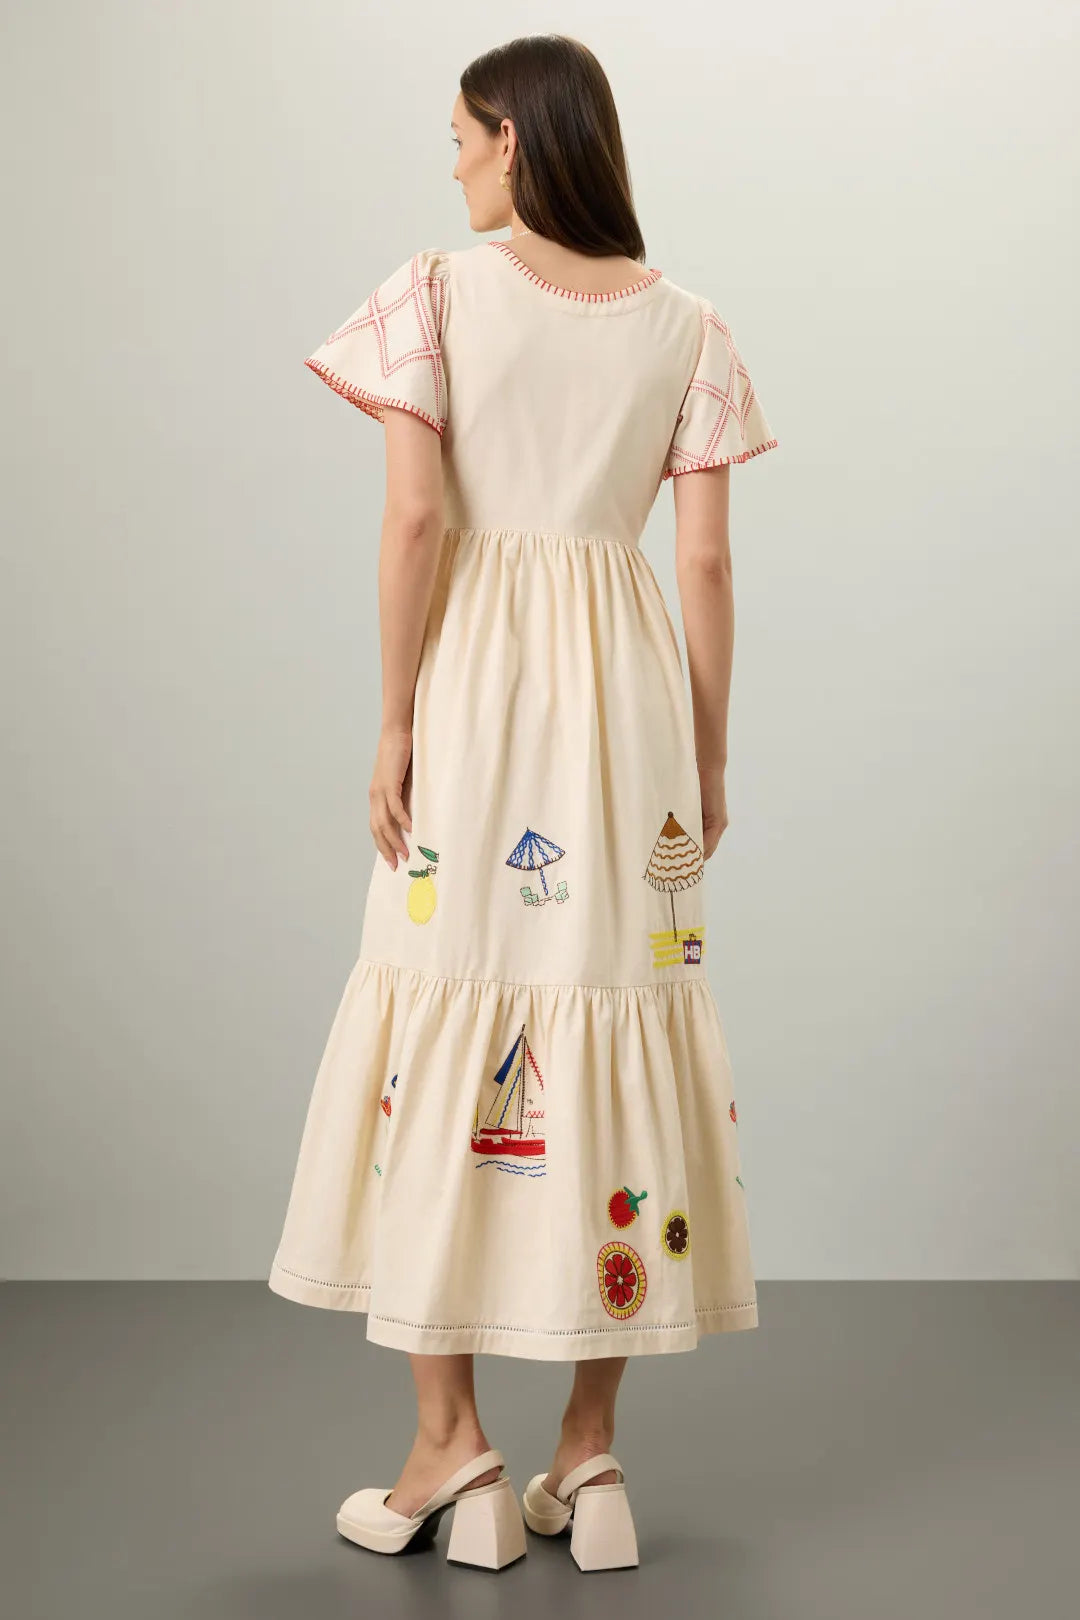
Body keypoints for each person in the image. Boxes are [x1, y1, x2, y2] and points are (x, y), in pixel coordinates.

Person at [269, 33, 778, 1573]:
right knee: (609, 1009)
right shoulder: (689, 327)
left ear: (511, 139)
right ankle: (589, 1455)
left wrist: (394, 719)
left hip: (480, 695)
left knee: (446, 1009)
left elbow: (417, 519)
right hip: (626, 715)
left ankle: (452, 1448)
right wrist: (708, 759)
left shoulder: (433, 295)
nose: (451, 166)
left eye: (458, 137)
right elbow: (703, 564)